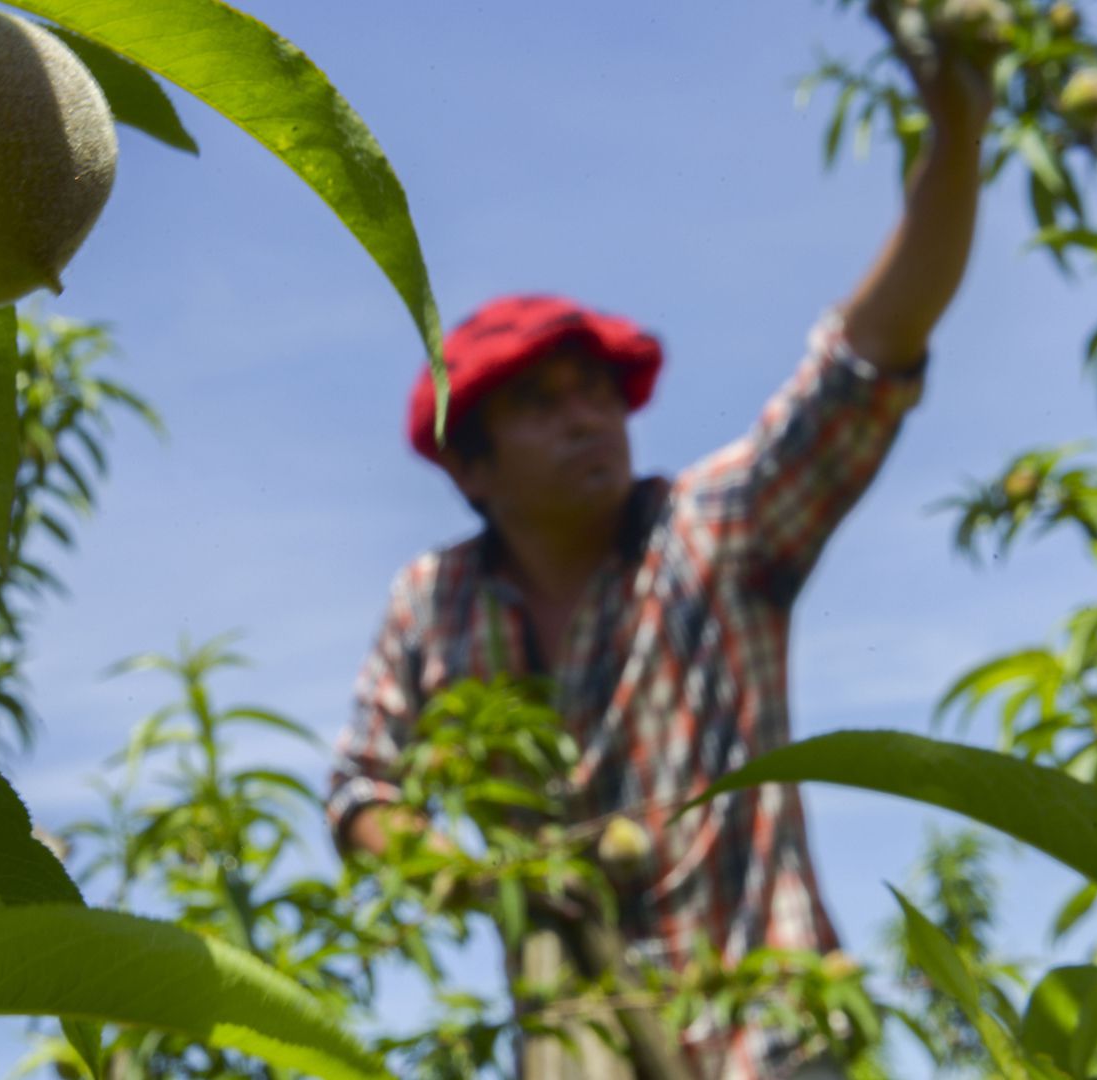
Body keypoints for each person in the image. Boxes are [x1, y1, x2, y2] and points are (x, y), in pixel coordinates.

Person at [324, 21, 997, 1080]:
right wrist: (485, 877)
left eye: (598, 390)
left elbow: (867, 357)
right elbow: (363, 794)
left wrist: (957, 131)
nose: (588, 417)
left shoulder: (711, 531)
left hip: (774, 1034)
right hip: (580, 1044)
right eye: (542, 405)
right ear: (472, 468)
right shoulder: (435, 603)